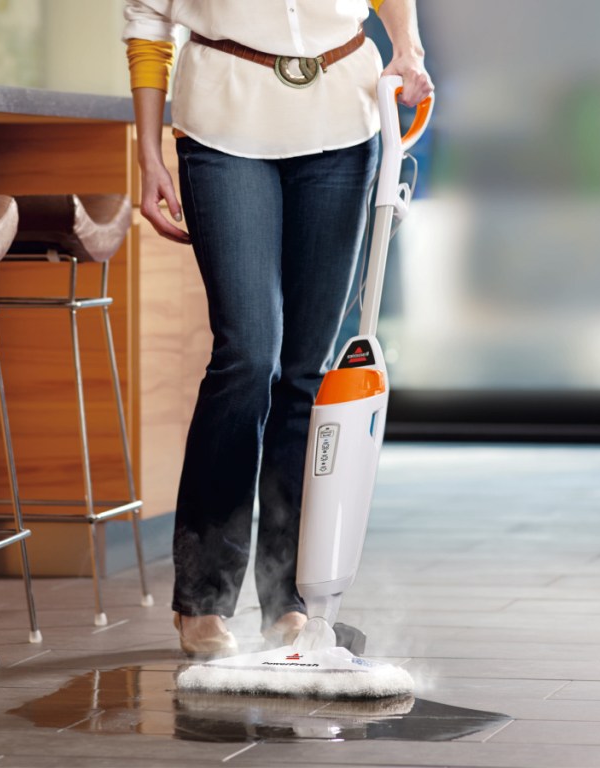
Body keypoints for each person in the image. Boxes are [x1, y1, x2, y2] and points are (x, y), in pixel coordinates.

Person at [124, 0, 433, 656]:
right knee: (248, 352)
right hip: (222, 125)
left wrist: (408, 47)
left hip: (344, 125)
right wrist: (148, 150)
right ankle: (203, 598)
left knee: (307, 370)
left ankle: (288, 599)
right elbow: (148, 22)